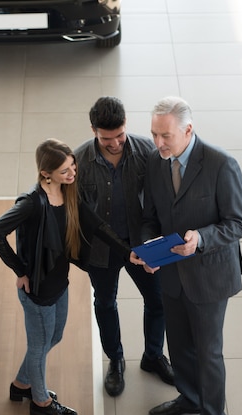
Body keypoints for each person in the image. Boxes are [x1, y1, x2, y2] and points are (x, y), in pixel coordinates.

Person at [0, 138, 140, 415]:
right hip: (38, 288)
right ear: (46, 174)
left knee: (52, 338)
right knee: (39, 347)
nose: (72, 174)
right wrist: (20, 270)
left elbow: (96, 224)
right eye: (64, 171)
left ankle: (21, 386)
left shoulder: (67, 194)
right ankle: (40, 402)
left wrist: (127, 253)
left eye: (72, 166)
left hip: (59, 281)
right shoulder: (31, 204)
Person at [138, 96, 242, 415]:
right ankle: (188, 396)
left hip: (209, 277)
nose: (158, 143)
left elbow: (237, 224)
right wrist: (150, 248)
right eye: (154, 134)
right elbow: (150, 216)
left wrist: (200, 239)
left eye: (165, 135)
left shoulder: (221, 165)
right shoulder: (156, 163)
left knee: (209, 353)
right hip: (170, 273)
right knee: (179, 344)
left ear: (188, 130)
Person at [75, 96, 174, 397]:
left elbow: (164, 198)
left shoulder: (147, 151)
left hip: (142, 244)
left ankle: (153, 355)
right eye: (107, 138)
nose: (116, 143)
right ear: (93, 130)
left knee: (158, 301)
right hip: (101, 250)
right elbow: (74, 212)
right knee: (105, 304)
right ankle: (115, 360)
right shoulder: (79, 161)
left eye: (120, 135)